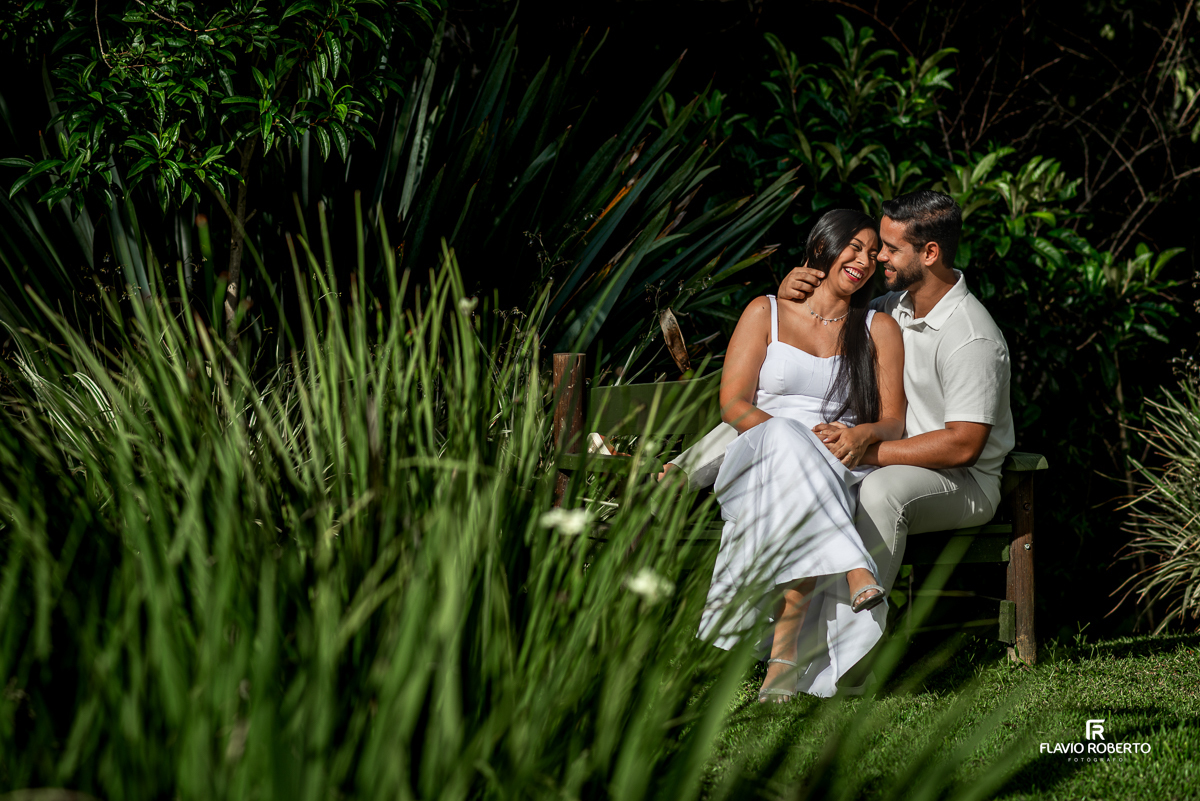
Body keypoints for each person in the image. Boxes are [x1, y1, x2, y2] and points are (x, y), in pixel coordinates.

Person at [669, 191, 1016, 694]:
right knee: (797, 453)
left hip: (959, 477)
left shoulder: (970, 337)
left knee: (872, 491)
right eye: (866, 248)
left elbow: (963, 446)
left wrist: (862, 445)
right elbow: (816, 319)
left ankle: (842, 663)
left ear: (930, 254)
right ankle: (840, 595)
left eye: (887, 250)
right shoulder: (890, 305)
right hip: (828, 458)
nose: (876, 260)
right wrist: (792, 286)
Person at [695, 208, 907, 702]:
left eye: (873, 253)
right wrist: (797, 438)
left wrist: (863, 435)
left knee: (803, 478)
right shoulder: (763, 311)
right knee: (790, 444)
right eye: (853, 247)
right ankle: (855, 567)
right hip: (759, 452)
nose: (864, 260)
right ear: (821, 248)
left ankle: (782, 664)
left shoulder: (876, 328)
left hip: (837, 461)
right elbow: (732, 405)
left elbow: (893, 420)